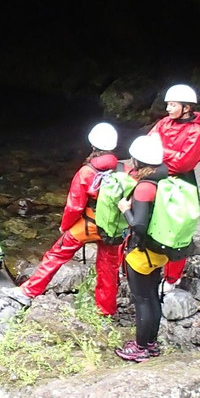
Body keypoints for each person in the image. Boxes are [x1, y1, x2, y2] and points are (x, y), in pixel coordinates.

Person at [17, 123, 123, 315]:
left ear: (93, 145)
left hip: (88, 225)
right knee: (108, 267)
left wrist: (64, 227)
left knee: (55, 255)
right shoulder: (122, 168)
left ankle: (29, 291)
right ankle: (106, 309)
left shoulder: (87, 172)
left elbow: (74, 206)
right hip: (113, 227)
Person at [149, 84, 200, 289]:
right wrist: (168, 154)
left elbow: (183, 163)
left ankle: (171, 278)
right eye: (168, 104)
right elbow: (148, 145)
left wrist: (161, 154)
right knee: (149, 223)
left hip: (180, 183)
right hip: (158, 177)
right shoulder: (164, 123)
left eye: (172, 105)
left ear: (186, 107)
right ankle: (149, 267)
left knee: (176, 229)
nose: (167, 109)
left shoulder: (196, 133)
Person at [115, 135, 168, 362]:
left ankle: (140, 348)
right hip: (160, 250)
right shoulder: (165, 178)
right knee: (152, 296)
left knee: (142, 300)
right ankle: (152, 344)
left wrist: (125, 209)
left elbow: (138, 225)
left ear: (138, 161)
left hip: (142, 253)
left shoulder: (144, 188)